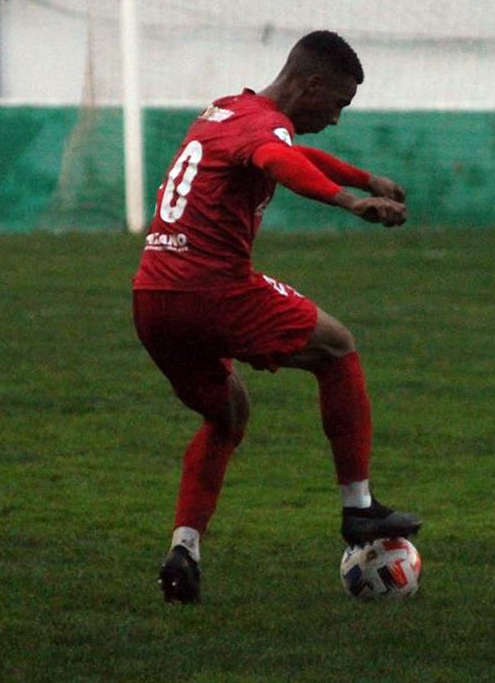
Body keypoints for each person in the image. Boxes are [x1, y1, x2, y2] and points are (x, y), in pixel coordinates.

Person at [132, 30, 422, 604]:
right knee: (337, 347)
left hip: (152, 297)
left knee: (228, 415)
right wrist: (350, 201)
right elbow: (277, 158)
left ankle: (184, 548)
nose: (336, 119)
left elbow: (286, 152)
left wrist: (360, 175)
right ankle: (359, 508)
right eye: (336, 104)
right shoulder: (265, 129)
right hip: (212, 290)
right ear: (310, 84)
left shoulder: (231, 111)